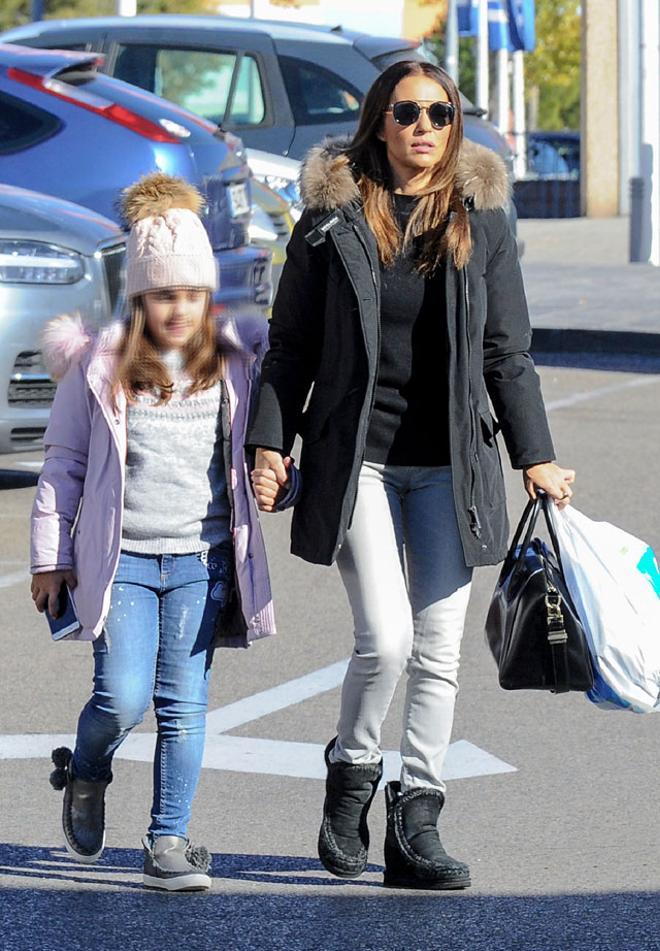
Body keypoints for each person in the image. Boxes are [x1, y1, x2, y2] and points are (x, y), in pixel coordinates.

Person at [246, 60, 575, 890]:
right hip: (359, 458)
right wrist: (269, 441)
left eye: (439, 112)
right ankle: (350, 770)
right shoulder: (332, 220)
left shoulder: (482, 219)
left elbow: (507, 350)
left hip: (450, 464)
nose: (424, 126)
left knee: (439, 650)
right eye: (407, 112)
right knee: (385, 637)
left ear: (453, 125)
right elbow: (288, 347)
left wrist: (534, 453)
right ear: (379, 124)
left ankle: (417, 817)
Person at [30, 173, 297, 892]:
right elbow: (63, 465)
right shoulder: (100, 367)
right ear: (138, 298)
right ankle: (86, 770)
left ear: (207, 295)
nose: (176, 308)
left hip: (201, 562)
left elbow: (263, 453)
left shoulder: (238, 364)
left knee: (185, 704)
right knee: (120, 697)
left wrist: (282, 477)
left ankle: (168, 838)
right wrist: (51, 556)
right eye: (160, 294)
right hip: (124, 565)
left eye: (189, 294)